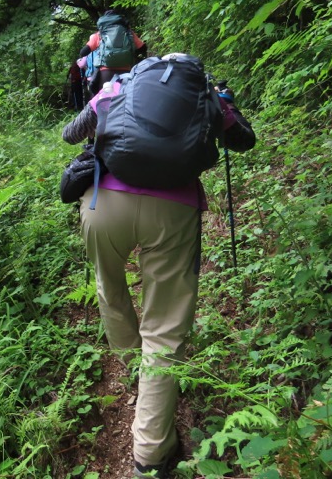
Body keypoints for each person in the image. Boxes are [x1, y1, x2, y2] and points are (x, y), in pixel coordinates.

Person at [61, 54, 256, 479]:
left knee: (109, 287)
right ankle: (150, 453)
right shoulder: (205, 96)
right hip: (174, 207)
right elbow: (244, 141)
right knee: (165, 330)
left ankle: (133, 364)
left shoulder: (119, 86)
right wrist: (227, 104)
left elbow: (70, 132)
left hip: (103, 204)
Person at [79, 10, 148, 96]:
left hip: (106, 73)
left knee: (104, 100)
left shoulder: (100, 34)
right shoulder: (129, 33)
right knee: (125, 99)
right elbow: (143, 48)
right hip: (126, 72)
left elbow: (83, 52)